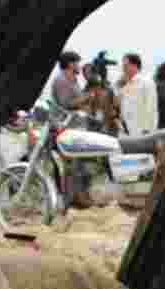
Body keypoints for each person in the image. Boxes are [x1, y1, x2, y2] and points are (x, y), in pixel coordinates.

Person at [51, 50, 96, 209]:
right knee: (70, 167)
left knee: (79, 165)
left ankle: (79, 198)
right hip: (65, 130)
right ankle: (69, 202)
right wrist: (86, 97)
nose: (79, 66)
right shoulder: (61, 80)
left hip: (77, 128)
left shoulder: (74, 80)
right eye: (77, 62)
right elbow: (65, 103)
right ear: (70, 64)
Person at [117, 53, 159, 135]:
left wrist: (147, 130)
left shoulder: (146, 82)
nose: (123, 68)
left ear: (134, 65)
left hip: (141, 131)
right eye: (123, 66)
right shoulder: (125, 85)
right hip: (126, 131)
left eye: (126, 65)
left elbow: (151, 107)